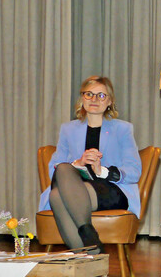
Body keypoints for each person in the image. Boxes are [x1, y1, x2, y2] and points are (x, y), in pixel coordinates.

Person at [39, 76, 142, 253]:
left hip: (111, 190)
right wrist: (77, 163)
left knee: (56, 196)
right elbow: (52, 170)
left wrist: (102, 171)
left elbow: (134, 171)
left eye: (101, 95)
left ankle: (88, 245)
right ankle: (90, 243)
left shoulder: (122, 129)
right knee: (62, 170)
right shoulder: (68, 129)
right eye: (89, 94)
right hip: (75, 188)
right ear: (82, 98)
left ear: (109, 101)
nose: (94, 99)